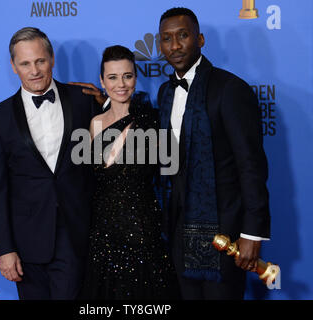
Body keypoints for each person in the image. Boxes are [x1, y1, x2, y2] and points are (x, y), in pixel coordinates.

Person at [157, 8, 271, 299]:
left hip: (224, 231)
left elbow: (251, 165)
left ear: (200, 39)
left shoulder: (230, 89)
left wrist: (251, 233)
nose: (175, 45)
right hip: (179, 232)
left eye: (183, 35)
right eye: (167, 39)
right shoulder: (165, 93)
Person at [0, 27, 104, 300]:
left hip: (74, 235)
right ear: (14, 67)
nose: (34, 70)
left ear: (52, 59)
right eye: (25, 63)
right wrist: (4, 249)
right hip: (25, 242)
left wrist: (104, 101)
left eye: (40, 61)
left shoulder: (83, 101)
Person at [81, 45, 179, 299]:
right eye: (112, 77)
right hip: (103, 236)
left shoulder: (153, 122)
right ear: (102, 81)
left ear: (136, 77)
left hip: (143, 236)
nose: (121, 84)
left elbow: (171, 176)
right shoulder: (94, 124)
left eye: (127, 76)